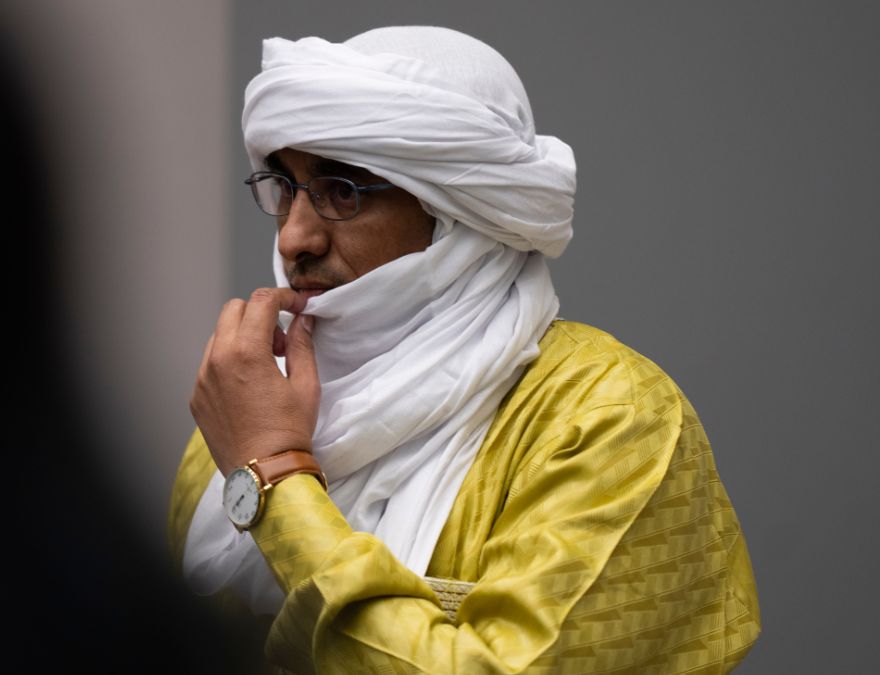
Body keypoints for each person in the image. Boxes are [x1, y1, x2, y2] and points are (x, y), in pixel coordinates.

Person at [168, 26, 760, 673]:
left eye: (342, 191)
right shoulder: (241, 415)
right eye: (284, 188)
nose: (294, 239)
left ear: (457, 217)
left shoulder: (610, 419)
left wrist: (277, 479)